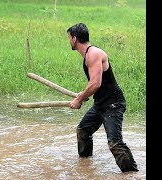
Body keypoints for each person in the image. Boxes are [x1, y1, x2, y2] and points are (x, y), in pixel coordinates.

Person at [66, 23, 138, 172]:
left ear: (74, 39)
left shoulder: (94, 54)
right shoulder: (88, 54)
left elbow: (95, 84)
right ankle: (85, 166)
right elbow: (95, 83)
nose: (69, 41)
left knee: (115, 143)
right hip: (100, 103)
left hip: (112, 103)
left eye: (69, 38)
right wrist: (82, 94)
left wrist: (79, 99)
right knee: (83, 131)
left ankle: (131, 173)